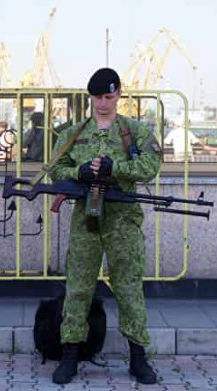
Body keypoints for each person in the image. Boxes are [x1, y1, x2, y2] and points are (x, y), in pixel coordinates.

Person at [49, 68, 162, 385]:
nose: (102, 103)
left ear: (118, 95)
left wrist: (118, 168)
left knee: (128, 289)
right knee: (78, 287)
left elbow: (151, 166)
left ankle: (138, 358)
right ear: (90, 97)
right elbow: (55, 169)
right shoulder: (72, 133)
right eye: (98, 97)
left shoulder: (134, 132)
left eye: (109, 97)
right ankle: (69, 356)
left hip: (122, 222)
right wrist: (79, 172)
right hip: (85, 220)